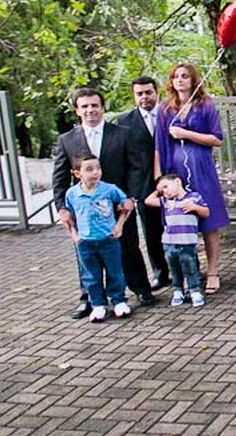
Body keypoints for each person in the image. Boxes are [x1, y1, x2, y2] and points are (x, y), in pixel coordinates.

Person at [54, 87, 153, 316]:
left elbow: (137, 169)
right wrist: (62, 208)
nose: (90, 110)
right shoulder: (67, 140)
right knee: (86, 255)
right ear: (77, 110)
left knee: (129, 247)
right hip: (85, 212)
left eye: (94, 105)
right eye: (85, 106)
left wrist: (131, 197)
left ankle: (140, 288)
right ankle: (89, 298)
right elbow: (59, 177)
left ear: (102, 107)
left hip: (119, 207)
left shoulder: (122, 134)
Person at [154, 63, 230, 294]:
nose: (180, 80)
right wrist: (160, 176)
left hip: (201, 167)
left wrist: (187, 134)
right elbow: (159, 143)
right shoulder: (165, 108)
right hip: (175, 167)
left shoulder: (204, 105)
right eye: (176, 76)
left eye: (185, 76)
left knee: (209, 220)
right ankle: (190, 272)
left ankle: (214, 271)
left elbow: (216, 139)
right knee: (180, 220)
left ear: (193, 80)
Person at [114, 76, 169, 291]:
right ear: (134, 96)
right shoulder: (124, 122)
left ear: (156, 93)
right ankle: (160, 272)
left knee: (178, 224)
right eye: (140, 93)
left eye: (148, 92)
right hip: (143, 184)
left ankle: (186, 268)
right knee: (151, 231)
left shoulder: (168, 114)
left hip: (171, 179)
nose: (144, 97)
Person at [64, 156, 134, 322]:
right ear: (77, 173)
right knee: (91, 275)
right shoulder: (72, 194)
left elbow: (127, 205)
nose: (95, 173)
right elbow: (67, 216)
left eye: (98, 168)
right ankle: (97, 304)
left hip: (108, 240)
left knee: (115, 272)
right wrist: (74, 235)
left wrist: (119, 225)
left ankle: (119, 301)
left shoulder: (109, 190)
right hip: (85, 242)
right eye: (89, 169)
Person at [144, 173, 208, 307]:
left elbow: (206, 212)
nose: (165, 192)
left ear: (178, 181)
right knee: (174, 269)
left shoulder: (193, 197)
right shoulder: (167, 202)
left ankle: (194, 290)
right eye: (162, 190)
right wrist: (158, 190)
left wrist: (195, 208)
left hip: (187, 242)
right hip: (170, 242)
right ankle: (178, 290)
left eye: (166, 186)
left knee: (190, 266)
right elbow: (148, 201)